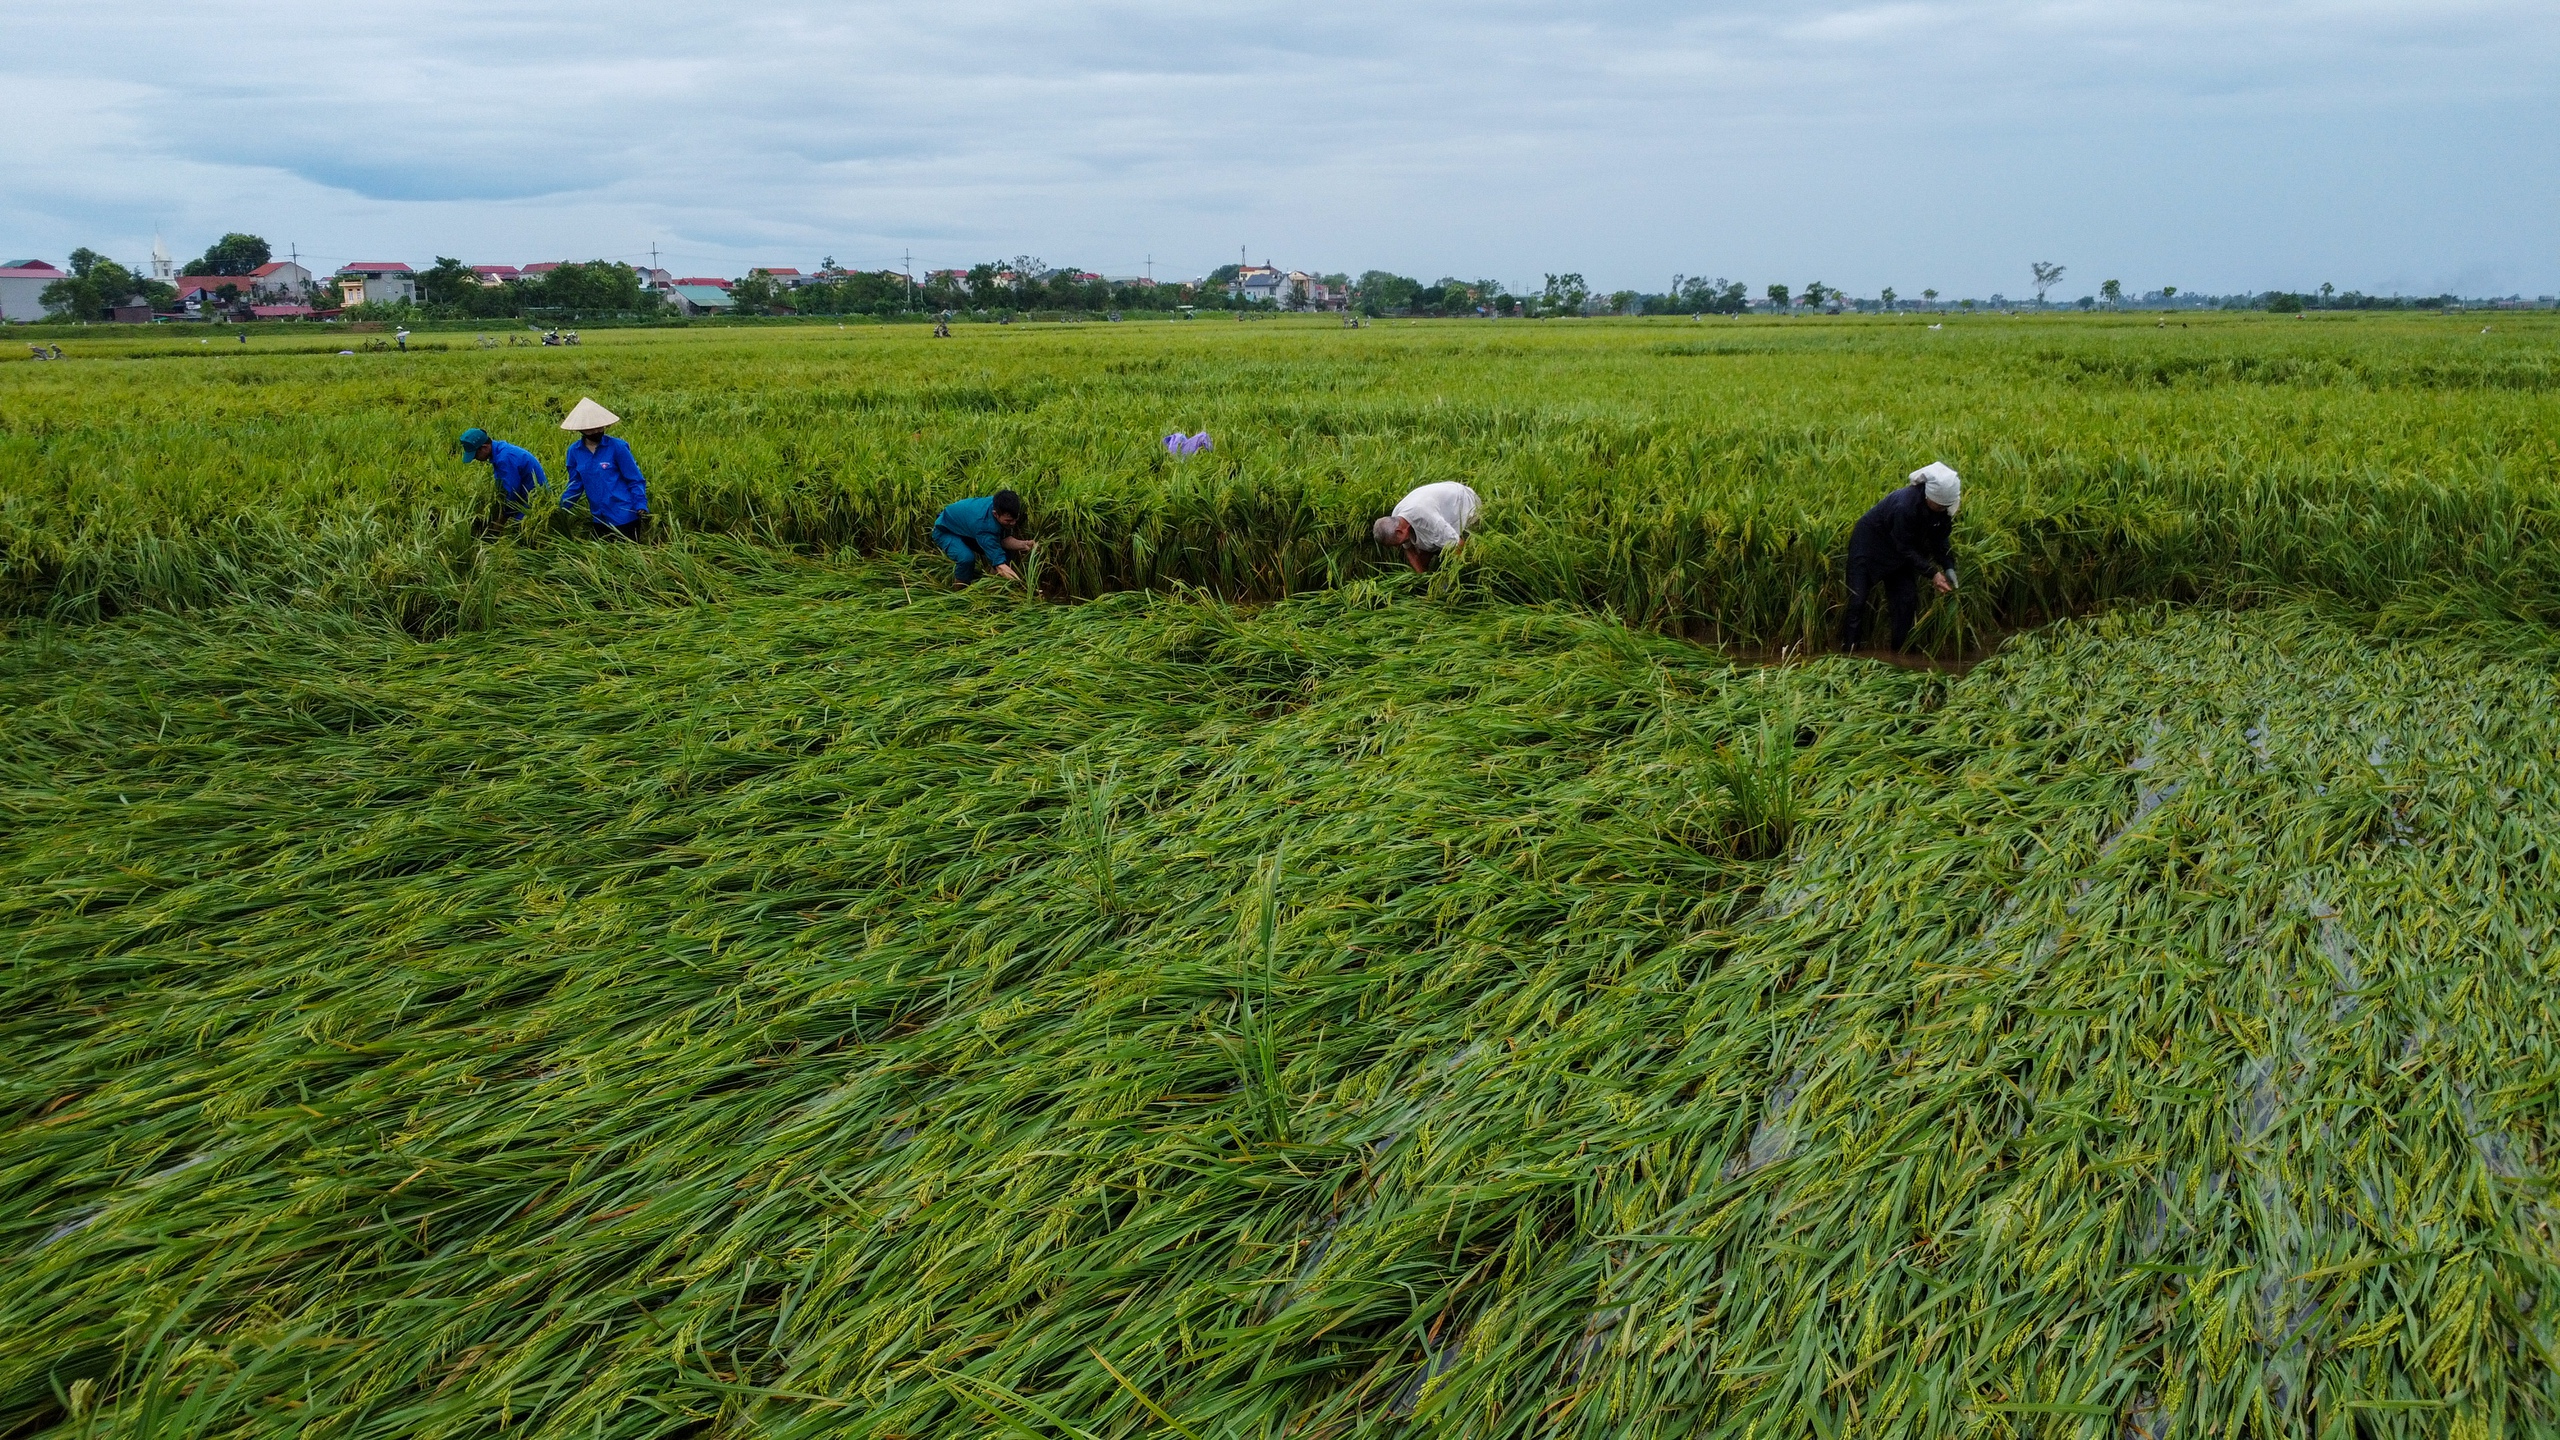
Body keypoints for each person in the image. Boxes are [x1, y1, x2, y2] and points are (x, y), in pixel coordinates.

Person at [1841, 461, 1962, 651]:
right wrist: (1932, 573)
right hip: (1870, 545)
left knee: (1906, 599)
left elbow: (1940, 539)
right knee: (1857, 600)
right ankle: (1849, 651)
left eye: (1944, 506)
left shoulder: (1941, 508)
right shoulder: (1904, 506)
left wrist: (1948, 566)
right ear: (1929, 496)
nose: (1942, 510)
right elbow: (1903, 546)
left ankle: (1901, 651)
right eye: (1939, 506)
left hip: (1900, 553)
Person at [557, 397, 650, 539]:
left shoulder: (617, 447)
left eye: (599, 427)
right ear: (581, 429)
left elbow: (635, 479)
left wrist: (640, 504)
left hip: (624, 514)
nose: (596, 431)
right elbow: (575, 484)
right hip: (599, 516)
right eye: (591, 428)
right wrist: (560, 508)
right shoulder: (574, 451)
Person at [1371, 481, 1480, 574]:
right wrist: (1423, 578)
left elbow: (1459, 546)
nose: (1396, 547)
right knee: (1424, 550)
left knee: (1468, 543)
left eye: (1395, 544)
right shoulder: (1397, 517)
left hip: (1464, 503)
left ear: (1399, 531)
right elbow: (1409, 550)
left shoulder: (1429, 520)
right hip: (1438, 505)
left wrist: (1454, 574)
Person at [932, 488, 1035, 585]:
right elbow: (1000, 566)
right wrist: (1023, 586)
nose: (1013, 523)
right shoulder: (985, 528)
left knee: (1003, 553)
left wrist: (1026, 544)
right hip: (945, 530)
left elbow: (1004, 540)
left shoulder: (1000, 504)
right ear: (995, 514)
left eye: (1015, 519)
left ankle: (989, 586)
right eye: (1008, 521)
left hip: (966, 528)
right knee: (966, 559)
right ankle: (959, 594)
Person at [457, 427, 547, 519]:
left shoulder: (504, 459)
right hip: (524, 496)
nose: (474, 458)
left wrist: (503, 516)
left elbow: (512, 491)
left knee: (514, 529)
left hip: (534, 501)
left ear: (484, 447)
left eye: (475, 455)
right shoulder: (499, 451)